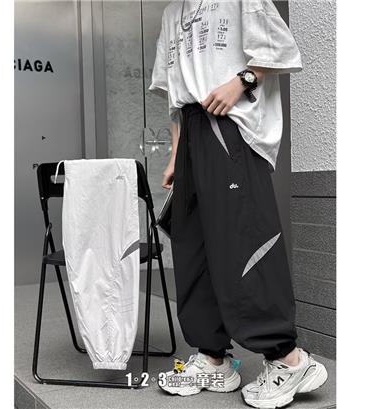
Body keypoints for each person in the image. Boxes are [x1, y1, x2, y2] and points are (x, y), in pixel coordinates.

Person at [148, 1, 328, 408]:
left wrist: (242, 81)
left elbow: (279, 47)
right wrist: (177, 154)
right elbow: (175, 96)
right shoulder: (171, 13)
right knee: (194, 248)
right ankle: (213, 357)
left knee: (243, 242)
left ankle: (289, 359)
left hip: (231, 127)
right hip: (193, 132)